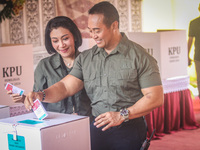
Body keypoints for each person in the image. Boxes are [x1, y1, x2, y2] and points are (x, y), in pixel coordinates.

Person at [24, 2, 164, 150]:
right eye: (90, 30)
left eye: (97, 30)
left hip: (128, 130)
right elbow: (65, 86)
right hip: (96, 128)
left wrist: (122, 115)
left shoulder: (140, 57)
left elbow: (155, 97)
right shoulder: (86, 58)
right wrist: (41, 95)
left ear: (114, 26)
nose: (92, 36)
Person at [7, 16, 91, 117]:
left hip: (87, 123)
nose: (61, 45)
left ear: (75, 36)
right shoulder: (44, 66)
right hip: (55, 124)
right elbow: (39, 104)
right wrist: (26, 100)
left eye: (65, 38)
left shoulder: (89, 62)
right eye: (55, 41)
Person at [188, 3, 200, 99]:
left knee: (199, 79)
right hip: (198, 56)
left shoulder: (194, 23)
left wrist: (187, 56)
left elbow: (190, 41)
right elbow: (190, 41)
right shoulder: (193, 23)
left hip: (198, 56)